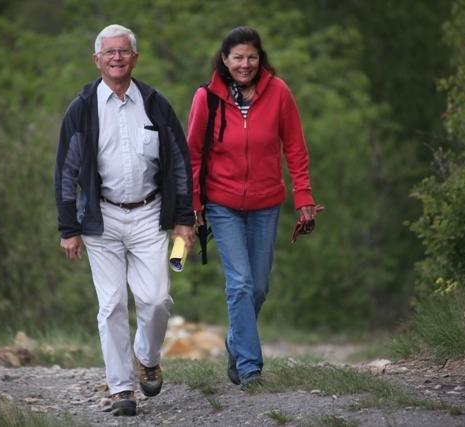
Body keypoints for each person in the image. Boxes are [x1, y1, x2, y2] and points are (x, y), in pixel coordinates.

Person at [54, 24, 195, 416]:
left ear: (135, 58)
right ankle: (121, 389)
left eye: (123, 51)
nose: (117, 58)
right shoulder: (82, 108)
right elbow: (66, 171)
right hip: (100, 219)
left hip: (149, 214)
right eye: (109, 52)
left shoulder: (155, 103)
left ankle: (147, 358)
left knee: (157, 299)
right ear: (97, 60)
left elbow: (180, 164)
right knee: (112, 304)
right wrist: (68, 228)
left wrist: (184, 219)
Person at [186, 27, 318, 389]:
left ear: (261, 59)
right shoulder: (206, 98)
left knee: (258, 287)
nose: (245, 64)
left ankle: (235, 340)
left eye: (252, 57)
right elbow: (193, 153)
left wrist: (304, 197)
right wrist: (194, 204)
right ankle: (249, 367)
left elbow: (295, 148)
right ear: (224, 59)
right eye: (238, 57)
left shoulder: (279, 92)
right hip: (222, 203)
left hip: (265, 203)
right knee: (240, 283)